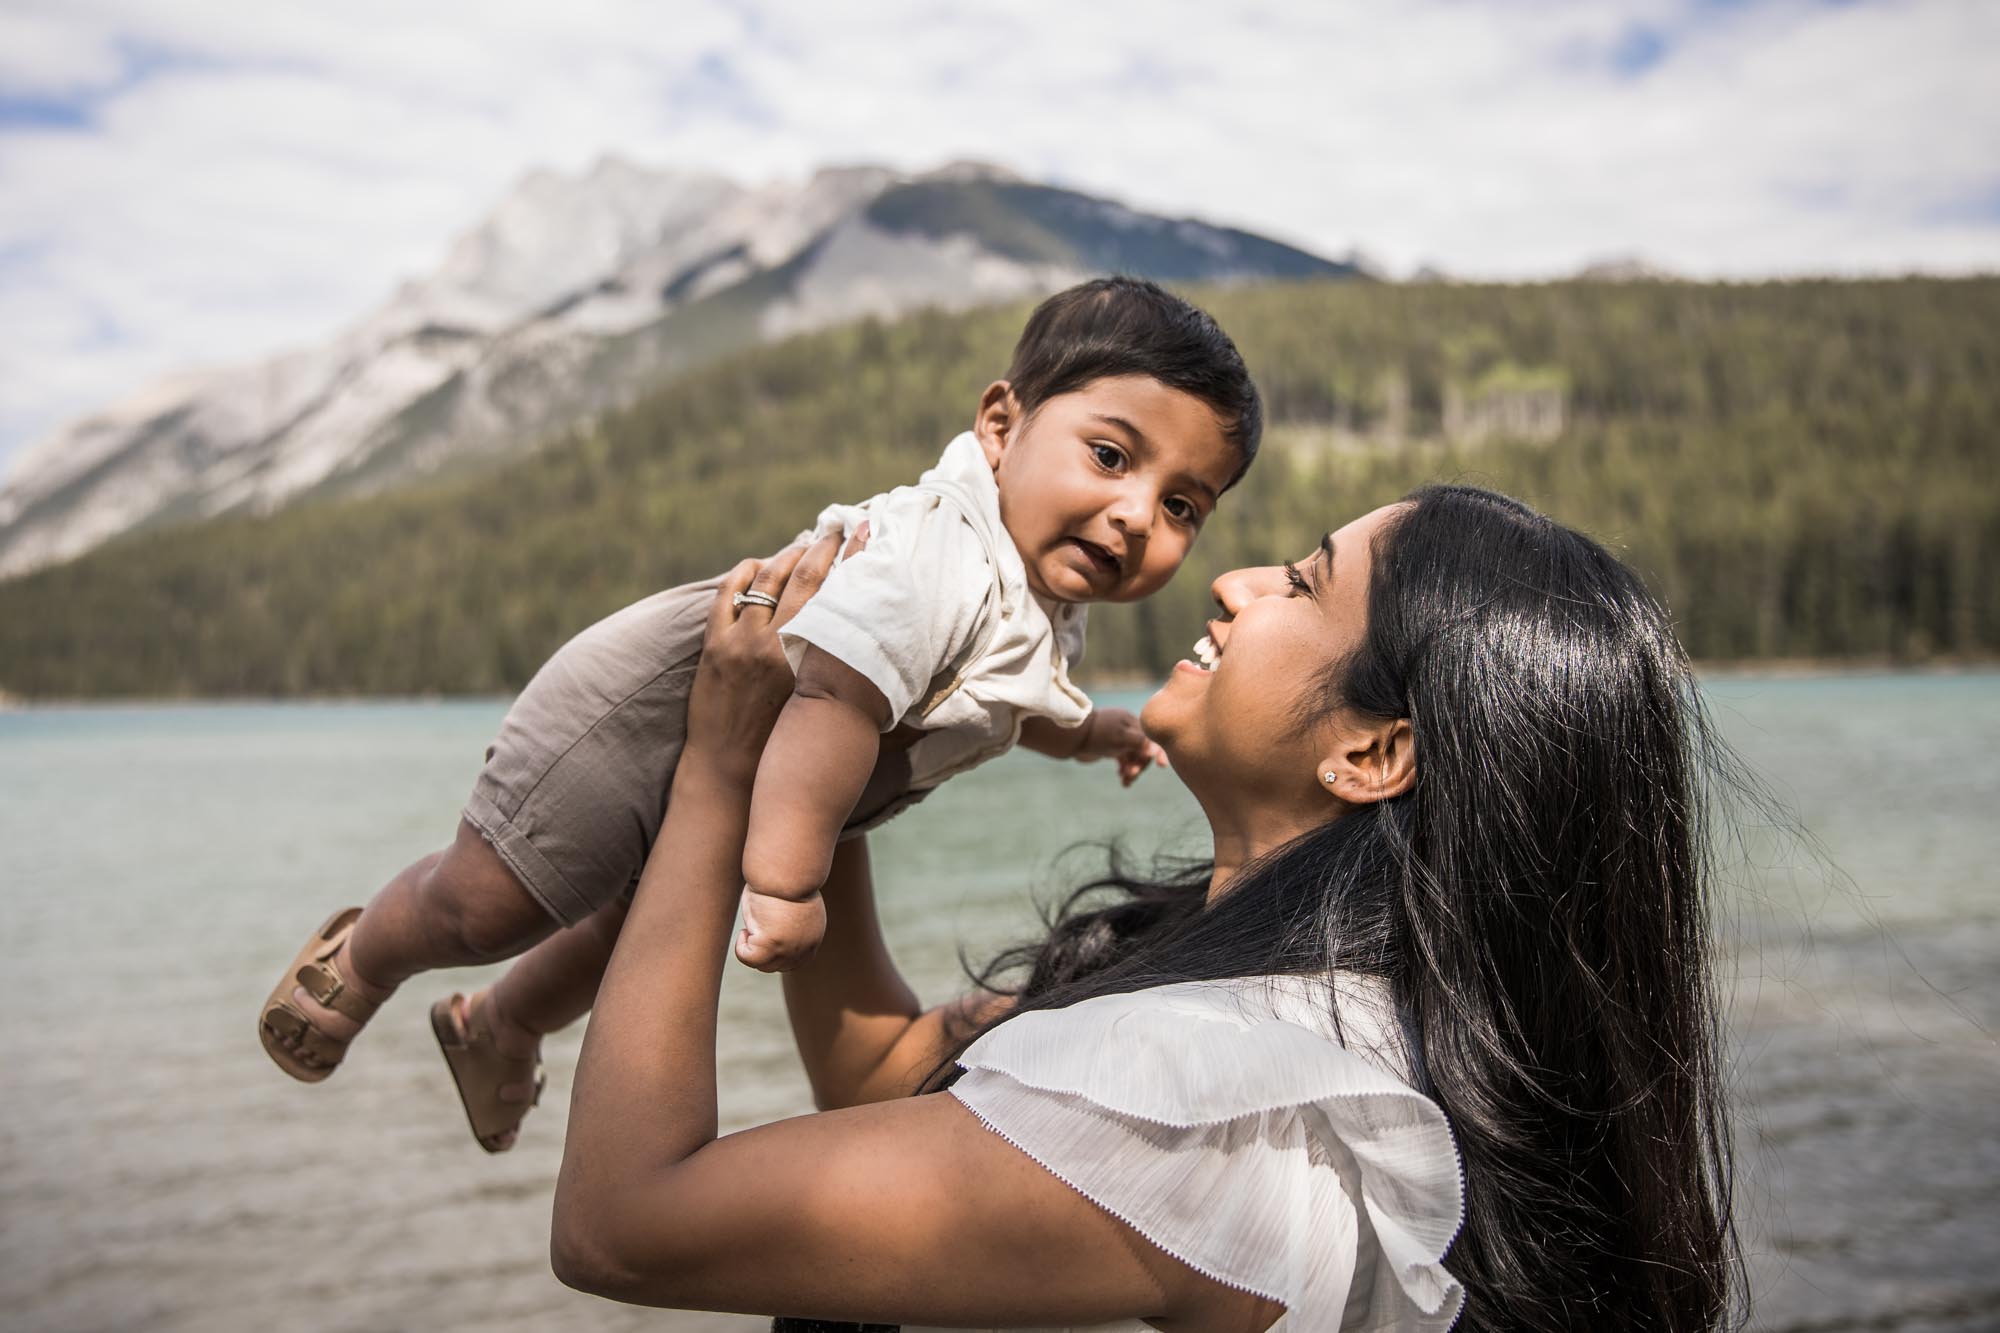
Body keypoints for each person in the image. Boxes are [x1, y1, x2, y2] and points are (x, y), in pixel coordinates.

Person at [549, 485, 1742, 1332]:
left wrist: (715, 768)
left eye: (1302, 583)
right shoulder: (1281, 1006)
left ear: (1373, 752)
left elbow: (622, 1223)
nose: (1232, 579)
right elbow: (893, 1079)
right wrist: (842, 743)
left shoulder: (1224, 1103)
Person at [257, 277, 1260, 1151]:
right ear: (1000, 427)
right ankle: (363, 959)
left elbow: (1011, 700)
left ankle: (498, 1025)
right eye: (1110, 456)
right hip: (647, 712)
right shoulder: (936, 556)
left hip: (737, 770)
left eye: (1182, 505)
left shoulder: (1043, 599)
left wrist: (1092, 734)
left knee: (627, 930)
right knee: (489, 905)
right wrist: (785, 883)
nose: (1138, 513)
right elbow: (832, 700)